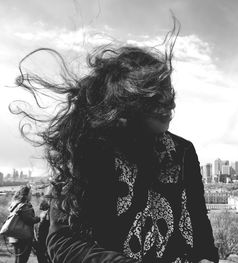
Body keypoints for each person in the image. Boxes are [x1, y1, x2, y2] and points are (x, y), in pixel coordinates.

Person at [11, 21, 219, 263]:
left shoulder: (183, 151)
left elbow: (200, 225)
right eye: (156, 98)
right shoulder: (87, 150)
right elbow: (64, 242)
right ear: (125, 108)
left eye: (169, 94)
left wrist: (207, 258)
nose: (170, 104)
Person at [8, 185, 40, 263]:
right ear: (25, 194)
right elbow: (28, 220)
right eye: (30, 193)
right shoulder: (24, 206)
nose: (31, 195)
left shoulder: (15, 204)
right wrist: (39, 218)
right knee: (22, 260)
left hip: (15, 236)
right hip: (23, 237)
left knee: (18, 260)